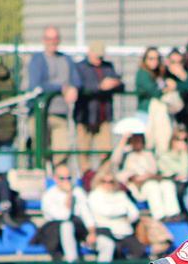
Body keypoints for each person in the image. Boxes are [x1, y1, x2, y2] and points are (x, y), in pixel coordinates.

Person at [27, 26, 82, 166]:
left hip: (61, 113)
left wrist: (74, 88)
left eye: (55, 38)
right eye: (49, 39)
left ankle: (59, 180)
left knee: (62, 151)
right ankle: (42, 179)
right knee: (40, 150)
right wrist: (60, 88)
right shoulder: (37, 60)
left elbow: (76, 80)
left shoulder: (66, 60)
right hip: (40, 114)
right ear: (44, 40)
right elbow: (36, 85)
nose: (52, 42)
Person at [75, 41, 125, 175]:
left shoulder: (108, 67)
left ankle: (103, 177)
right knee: (83, 150)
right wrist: (99, 86)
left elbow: (120, 85)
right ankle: (86, 178)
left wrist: (115, 83)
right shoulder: (80, 67)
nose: (99, 60)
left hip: (103, 115)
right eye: (96, 56)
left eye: (101, 57)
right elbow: (79, 86)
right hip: (85, 115)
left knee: (105, 150)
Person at [113, 132, 182, 221]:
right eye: (135, 140)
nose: (137, 143)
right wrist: (123, 140)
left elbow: (154, 170)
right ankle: (160, 216)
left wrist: (149, 176)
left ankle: (173, 214)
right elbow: (115, 161)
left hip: (151, 179)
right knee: (152, 187)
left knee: (167, 185)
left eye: (139, 140)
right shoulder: (127, 154)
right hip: (137, 186)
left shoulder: (148, 154)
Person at [38, 163, 97, 262]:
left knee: (105, 241)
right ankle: (72, 262)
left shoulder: (78, 192)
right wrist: (69, 195)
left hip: (76, 227)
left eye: (68, 178)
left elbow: (86, 214)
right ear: (55, 179)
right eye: (62, 178)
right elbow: (64, 216)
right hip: (54, 231)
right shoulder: (48, 196)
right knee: (67, 226)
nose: (66, 181)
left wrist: (92, 232)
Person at [87, 166, 145, 262]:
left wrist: (126, 217)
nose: (107, 184)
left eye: (111, 181)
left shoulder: (120, 195)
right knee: (111, 248)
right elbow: (106, 212)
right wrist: (123, 212)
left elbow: (134, 212)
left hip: (125, 230)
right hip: (105, 230)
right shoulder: (94, 196)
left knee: (139, 251)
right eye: (104, 181)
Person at [135, 47, 177, 153]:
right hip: (146, 113)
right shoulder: (142, 73)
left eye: (156, 59)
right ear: (145, 59)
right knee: (148, 142)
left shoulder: (159, 74)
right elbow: (153, 91)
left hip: (159, 113)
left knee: (161, 139)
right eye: (151, 58)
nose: (154, 61)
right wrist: (167, 89)